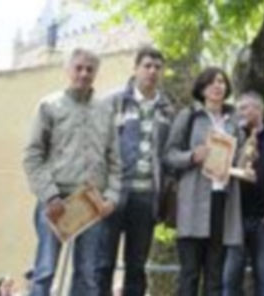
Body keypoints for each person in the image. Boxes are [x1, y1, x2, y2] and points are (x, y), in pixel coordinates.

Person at [23, 48, 119, 296]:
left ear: (96, 73)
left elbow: (115, 161)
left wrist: (111, 198)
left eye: (90, 69)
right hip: (56, 200)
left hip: (91, 201)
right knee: (45, 271)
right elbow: (33, 156)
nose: (84, 74)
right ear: (68, 70)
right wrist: (50, 195)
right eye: (79, 68)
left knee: (87, 274)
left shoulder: (105, 111)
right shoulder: (49, 106)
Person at [98, 46, 176, 296]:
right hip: (112, 196)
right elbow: (97, 146)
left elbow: (170, 154)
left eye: (157, 67)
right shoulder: (113, 101)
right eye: (147, 66)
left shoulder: (168, 109)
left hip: (146, 198)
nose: (152, 71)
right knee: (103, 263)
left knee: (136, 266)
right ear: (135, 69)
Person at [165, 67, 244, 296]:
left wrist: (247, 160)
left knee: (215, 275)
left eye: (221, 82)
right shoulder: (189, 116)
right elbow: (169, 155)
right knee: (189, 273)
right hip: (193, 203)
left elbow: (239, 159)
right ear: (202, 89)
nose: (217, 86)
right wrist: (192, 156)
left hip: (223, 201)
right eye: (211, 82)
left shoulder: (234, 121)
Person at [222, 91, 264, 296]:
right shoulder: (231, 140)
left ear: (260, 109)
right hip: (235, 219)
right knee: (230, 279)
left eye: (247, 107)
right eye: (239, 108)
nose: (243, 112)